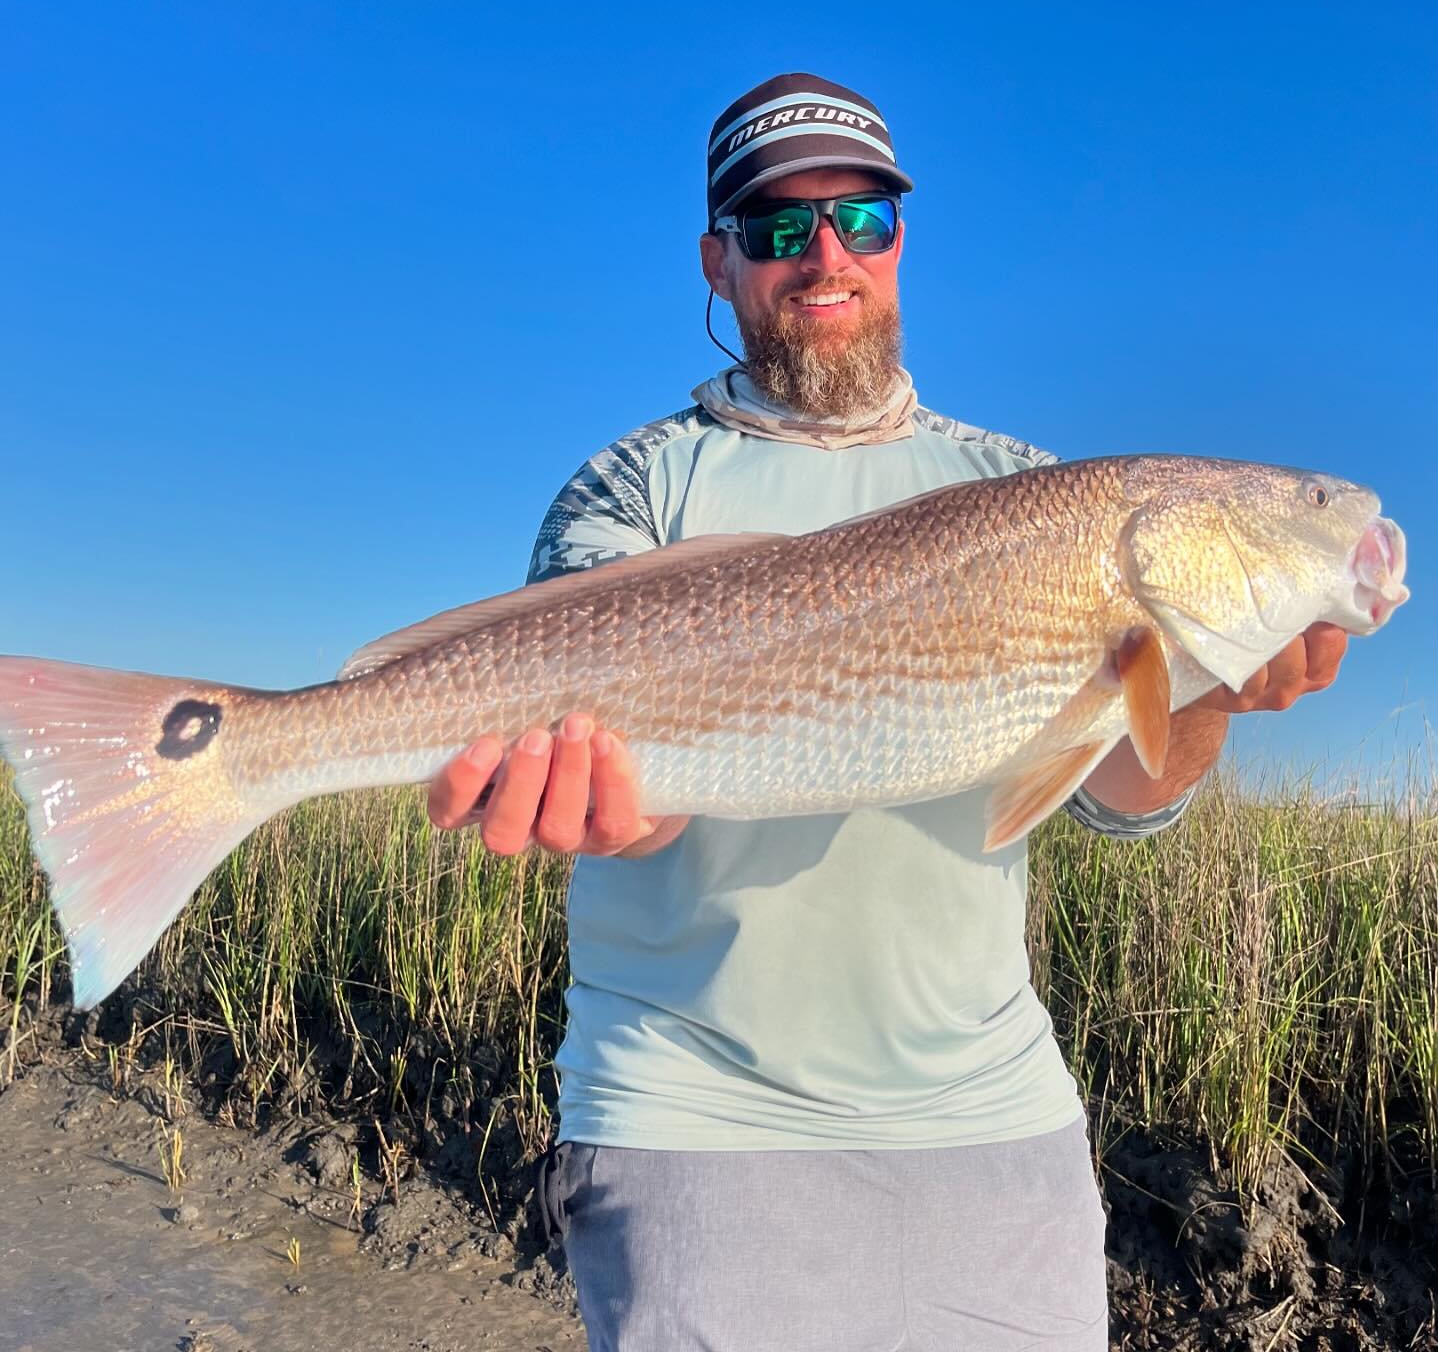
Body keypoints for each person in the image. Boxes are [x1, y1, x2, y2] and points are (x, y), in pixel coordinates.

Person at [428, 73, 1349, 1351]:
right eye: (773, 228)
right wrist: (595, 807)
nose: (823, 256)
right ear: (718, 262)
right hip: (697, 1115)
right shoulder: (628, 489)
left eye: (860, 218)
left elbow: (1122, 801)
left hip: (991, 1120)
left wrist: (1208, 692)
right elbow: (621, 805)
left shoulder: (1026, 487)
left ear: (900, 238)